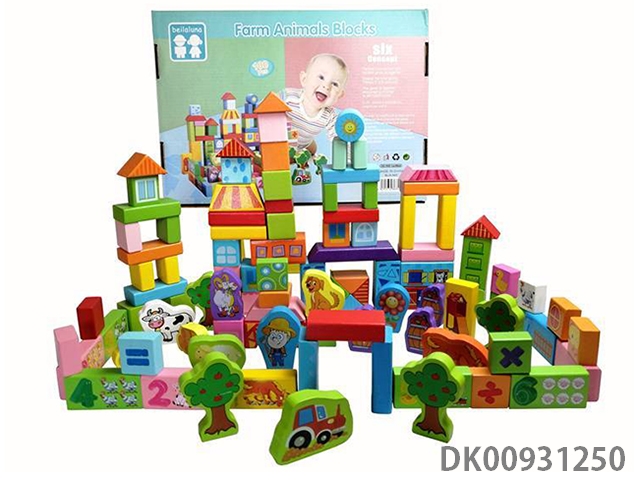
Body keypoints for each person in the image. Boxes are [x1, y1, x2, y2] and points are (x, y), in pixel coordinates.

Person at [281, 53, 349, 155]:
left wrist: (347, 154)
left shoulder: (329, 116)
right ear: (304, 79)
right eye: (321, 77)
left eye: (335, 84)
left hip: (304, 144)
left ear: (339, 95)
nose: (326, 86)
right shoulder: (288, 97)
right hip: (281, 141)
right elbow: (268, 106)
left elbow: (337, 138)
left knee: (312, 150)